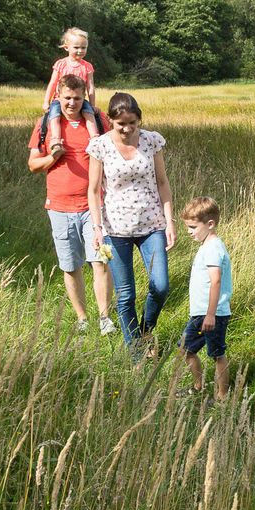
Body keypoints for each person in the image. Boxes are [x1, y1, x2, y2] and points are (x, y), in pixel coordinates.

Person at [28, 74, 115, 338]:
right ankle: (82, 319)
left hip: (96, 206)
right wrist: (53, 156)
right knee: (70, 266)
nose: (72, 103)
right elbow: (33, 165)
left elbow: (115, 151)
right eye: (67, 98)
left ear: (84, 98)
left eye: (78, 98)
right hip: (59, 206)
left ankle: (105, 318)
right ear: (58, 97)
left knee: (100, 262)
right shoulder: (45, 124)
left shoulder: (99, 121)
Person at [86, 92, 175, 352]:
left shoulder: (151, 141)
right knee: (126, 296)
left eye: (132, 123)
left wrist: (169, 222)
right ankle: (134, 351)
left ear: (139, 120)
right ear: (111, 121)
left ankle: (146, 330)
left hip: (152, 225)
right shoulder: (100, 145)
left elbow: (162, 182)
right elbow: (93, 190)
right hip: (115, 229)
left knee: (160, 286)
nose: (127, 129)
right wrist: (97, 228)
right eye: (120, 124)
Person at [180, 197, 233, 400]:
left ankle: (222, 396)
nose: (189, 231)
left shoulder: (213, 248)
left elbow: (216, 281)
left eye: (193, 227)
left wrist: (210, 315)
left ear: (210, 224)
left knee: (217, 354)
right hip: (202, 313)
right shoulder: (206, 246)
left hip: (212, 314)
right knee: (185, 350)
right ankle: (198, 386)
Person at [42, 27, 101, 152]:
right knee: (54, 116)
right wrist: (46, 101)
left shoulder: (87, 66)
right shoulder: (61, 64)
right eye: (76, 47)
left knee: (89, 114)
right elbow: (52, 83)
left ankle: (95, 139)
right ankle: (56, 140)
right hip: (60, 99)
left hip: (80, 99)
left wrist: (92, 104)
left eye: (83, 48)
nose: (80, 51)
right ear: (66, 47)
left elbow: (90, 87)